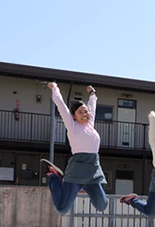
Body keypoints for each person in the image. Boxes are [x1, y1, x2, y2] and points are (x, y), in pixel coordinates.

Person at [41, 82, 107, 215]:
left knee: (102, 205)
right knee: (62, 209)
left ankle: (82, 186)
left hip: (92, 172)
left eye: (86, 111)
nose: (85, 114)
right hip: (76, 172)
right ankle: (54, 176)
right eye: (80, 112)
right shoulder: (72, 126)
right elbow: (61, 105)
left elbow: (92, 107)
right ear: (73, 116)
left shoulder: (90, 125)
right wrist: (55, 88)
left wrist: (92, 94)